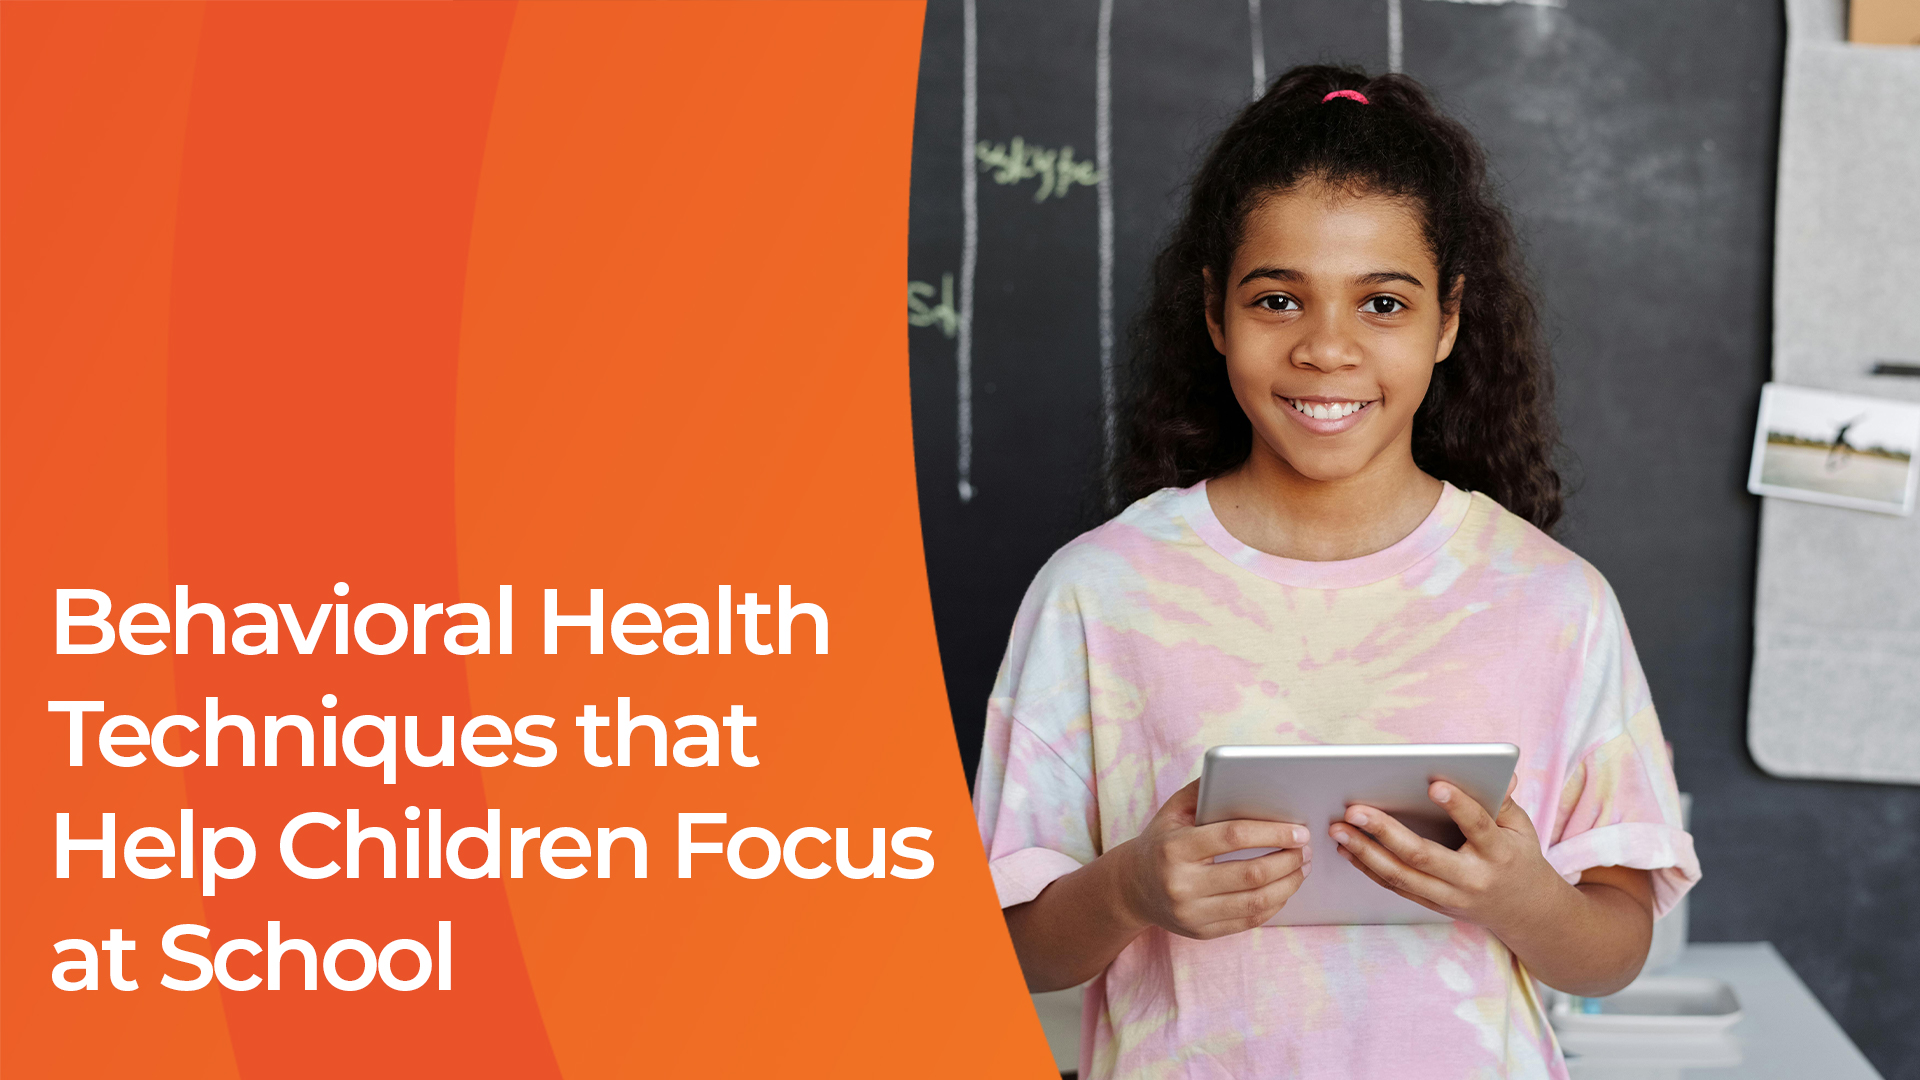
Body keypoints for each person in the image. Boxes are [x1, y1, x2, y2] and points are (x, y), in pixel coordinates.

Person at [972, 66, 1699, 1079]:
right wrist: (1131, 892)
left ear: (1447, 320)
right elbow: (1010, 949)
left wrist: (1520, 898)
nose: (1326, 349)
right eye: (1278, 298)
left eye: (1382, 303)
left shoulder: (1552, 603)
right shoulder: (1100, 593)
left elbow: (1616, 944)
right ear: (1217, 315)